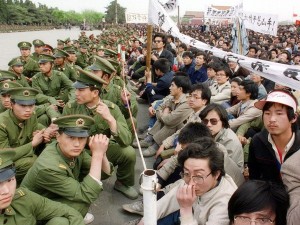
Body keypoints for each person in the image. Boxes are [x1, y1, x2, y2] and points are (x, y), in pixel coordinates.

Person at [62, 68, 138, 199]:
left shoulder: (111, 108)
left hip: (102, 150)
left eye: (81, 90)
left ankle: (122, 183)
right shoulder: (71, 107)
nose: (76, 94)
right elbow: (62, 136)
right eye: (76, 90)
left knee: (128, 152)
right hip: (78, 152)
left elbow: (126, 140)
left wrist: (110, 119)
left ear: (95, 92)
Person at [21, 114, 111, 224]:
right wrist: (97, 155)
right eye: (70, 137)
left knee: (81, 202)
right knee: (66, 217)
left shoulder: (70, 149)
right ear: (58, 136)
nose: (77, 143)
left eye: (82, 138)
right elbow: (88, 194)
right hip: (31, 212)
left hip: (52, 197)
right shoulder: (48, 166)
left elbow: (103, 173)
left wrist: (102, 153)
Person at [137, 138, 237, 225]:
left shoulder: (225, 203)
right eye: (186, 173)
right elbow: (166, 201)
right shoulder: (190, 178)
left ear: (216, 174)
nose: (191, 183)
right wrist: (145, 220)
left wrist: (186, 210)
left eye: (199, 176)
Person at [0, 150, 85, 225]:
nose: (6, 190)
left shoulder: (23, 198)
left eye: (10, 180)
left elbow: (69, 211)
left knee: (61, 222)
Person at [0, 87, 57, 183]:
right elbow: (4, 156)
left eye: (31, 105)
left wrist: (43, 136)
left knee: (52, 145)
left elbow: (33, 133)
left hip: (22, 154)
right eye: (22, 105)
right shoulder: (2, 123)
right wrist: (32, 144)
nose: (28, 110)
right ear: (12, 105)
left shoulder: (32, 115)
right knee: (31, 162)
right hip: (4, 162)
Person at [248, 90, 300, 184]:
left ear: (293, 118)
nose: (272, 119)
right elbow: (254, 178)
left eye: (279, 113)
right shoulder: (257, 141)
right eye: (267, 113)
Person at [136, 76, 192, 157]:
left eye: (172, 85)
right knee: (165, 118)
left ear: (180, 89)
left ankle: (156, 144)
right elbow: (159, 108)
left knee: (171, 124)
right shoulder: (173, 97)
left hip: (182, 130)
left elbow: (170, 120)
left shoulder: (186, 103)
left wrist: (165, 113)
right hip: (170, 121)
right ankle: (150, 138)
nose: (170, 88)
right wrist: (164, 114)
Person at [200, 103, 244, 170]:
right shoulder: (208, 133)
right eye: (205, 121)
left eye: (213, 121)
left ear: (223, 122)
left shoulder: (230, 141)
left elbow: (225, 169)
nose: (208, 124)